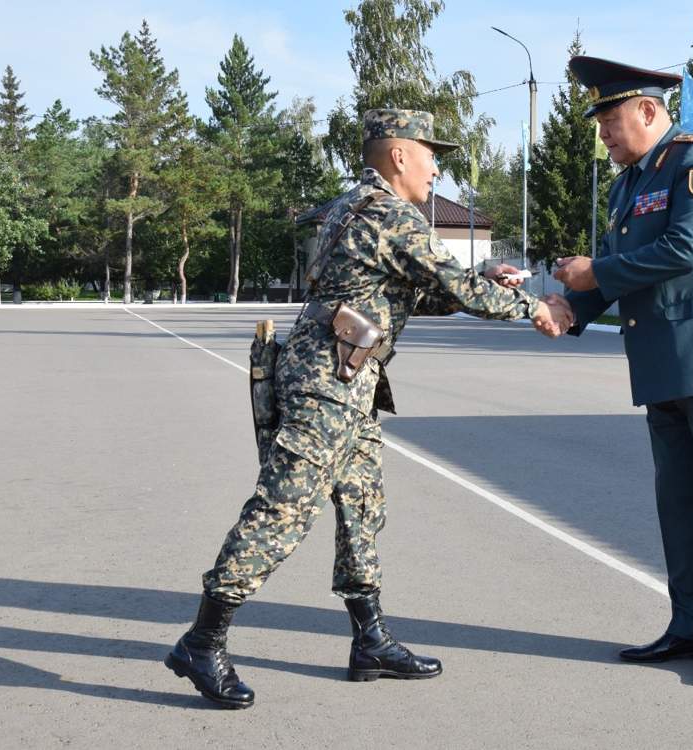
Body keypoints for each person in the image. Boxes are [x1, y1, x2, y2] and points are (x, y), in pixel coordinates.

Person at [166, 108, 574, 709]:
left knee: (360, 502)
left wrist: (488, 275)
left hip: (348, 380)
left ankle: (370, 639)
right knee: (283, 509)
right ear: (400, 155)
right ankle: (203, 640)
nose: (437, 168)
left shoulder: (357, 206)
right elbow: (452, 287)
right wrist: (536, 307)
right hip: (326, 383)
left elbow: (416, 291)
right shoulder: (387, 213)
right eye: (430, 154)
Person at [552, 56, 693, 686]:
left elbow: (684, 249)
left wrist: (593, 274)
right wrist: (567, 309)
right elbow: (621, 269)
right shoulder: (627, 184)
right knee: (679, 505)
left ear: (649, 110)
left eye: (611, 121)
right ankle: (691, 628)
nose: (603, 135)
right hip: (660, 366)